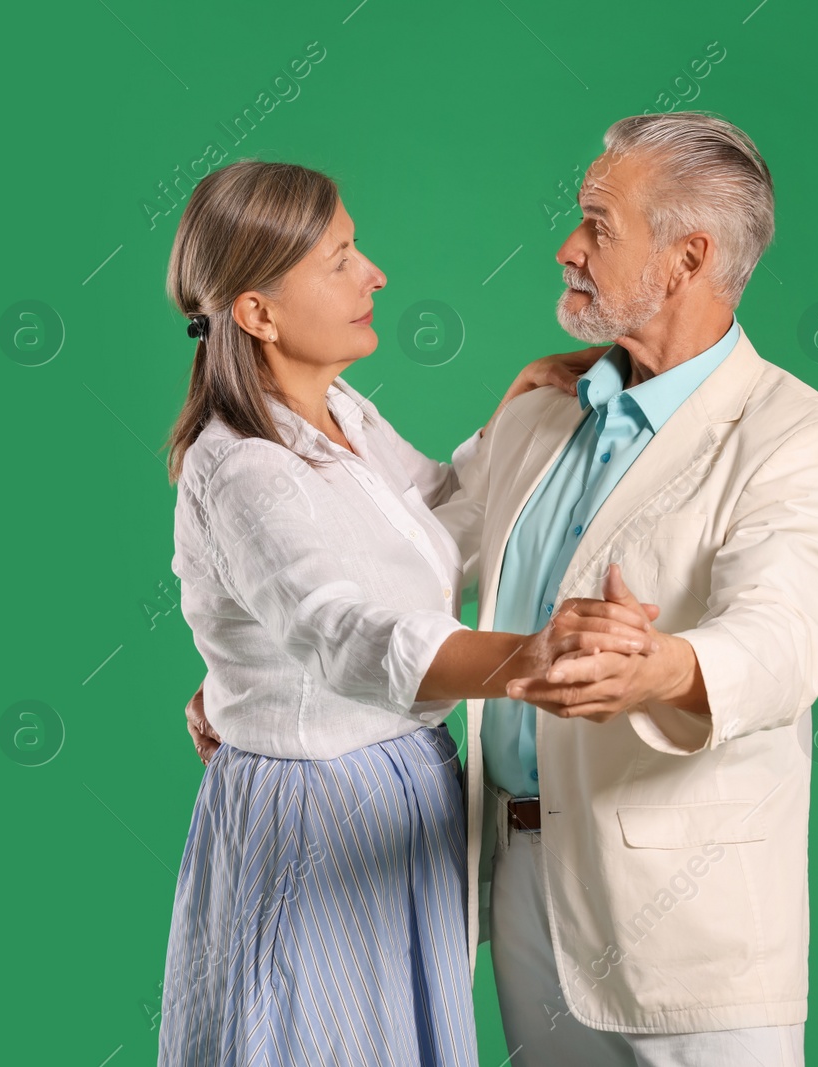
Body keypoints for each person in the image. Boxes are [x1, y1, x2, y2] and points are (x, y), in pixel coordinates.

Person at [157, 159, 662, 1066]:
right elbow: (343, 632)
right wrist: (529, 658)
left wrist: (519, 407)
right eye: (339, 257)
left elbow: (442, 521)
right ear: (258, 314)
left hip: (404, 805)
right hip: (321, 821)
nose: (374, 273)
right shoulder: (238, 468)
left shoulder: (338, 412)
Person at [428, 111, 818, 1066]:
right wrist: (256, 673)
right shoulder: (541, 411)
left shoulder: (794, 433)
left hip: (692, 933)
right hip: (518, 890)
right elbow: (403, 554)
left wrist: (664, 666)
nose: (566, 247)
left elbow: (785, 638)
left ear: (686, 257)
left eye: (597, 224)